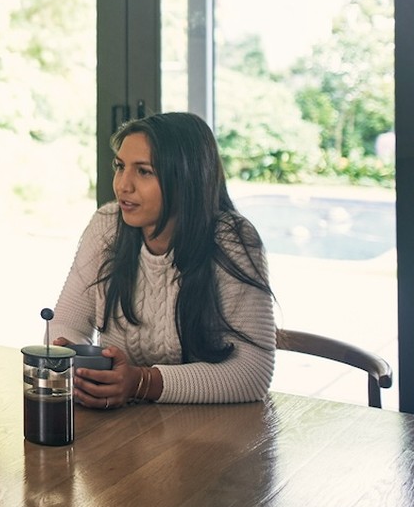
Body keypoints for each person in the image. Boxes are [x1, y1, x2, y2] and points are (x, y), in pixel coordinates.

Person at [49, 112, 276, 408]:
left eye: (144, 171)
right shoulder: (107, 224)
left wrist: (142, 382)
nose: (123, 186)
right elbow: (65, 323)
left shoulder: (231, 239)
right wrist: (74, 358)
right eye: (120, 167)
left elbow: (252, 373)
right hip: (126, 427)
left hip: (211, 433)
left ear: (187, 178)